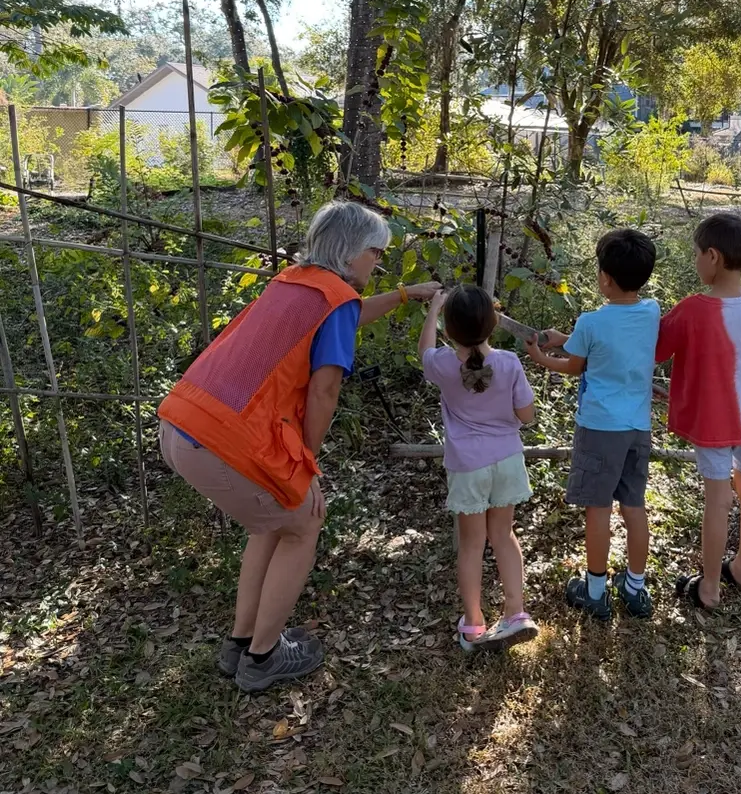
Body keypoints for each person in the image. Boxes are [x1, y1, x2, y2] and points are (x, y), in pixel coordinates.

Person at [157, 200, 441, 691]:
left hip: (185, 422)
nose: (379, 262)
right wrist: (304, 461)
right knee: (304, 521)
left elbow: (344, 315)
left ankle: (241, 644)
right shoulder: (334, 299)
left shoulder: (294, 281)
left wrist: (403, 295)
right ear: (354, 253)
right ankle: (264, 658)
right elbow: (324, 391)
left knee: (271, 522)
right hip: (227, 441)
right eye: (378, 253)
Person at [655, 212, 741, 610]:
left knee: (717, 500)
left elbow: (655, 352)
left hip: (711, 424)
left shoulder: (691, 310)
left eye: (696, 253)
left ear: (712, 256)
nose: (695, 260)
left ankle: (709, 587)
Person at [525, 229, 659, 620]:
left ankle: (596, 591)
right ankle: (635, 588)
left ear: (604, 277)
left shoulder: (592, 322)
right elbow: (607, 347)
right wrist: (564, 338)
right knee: (633, 505)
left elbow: (574, 365)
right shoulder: (651, 312)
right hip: (637, 427)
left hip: (600, 427)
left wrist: (539, 356)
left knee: (597, 508)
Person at [419, 285, 539, 651]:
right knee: (504, 534)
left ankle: (473, 624)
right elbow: (527, 416)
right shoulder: (508, 363)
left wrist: (433, 310)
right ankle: (515, 613)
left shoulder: (442, 363)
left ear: (450, 329)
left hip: (468, 466)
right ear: (493, 324)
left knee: (471, 545)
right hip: (507, 460)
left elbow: (424, 351)